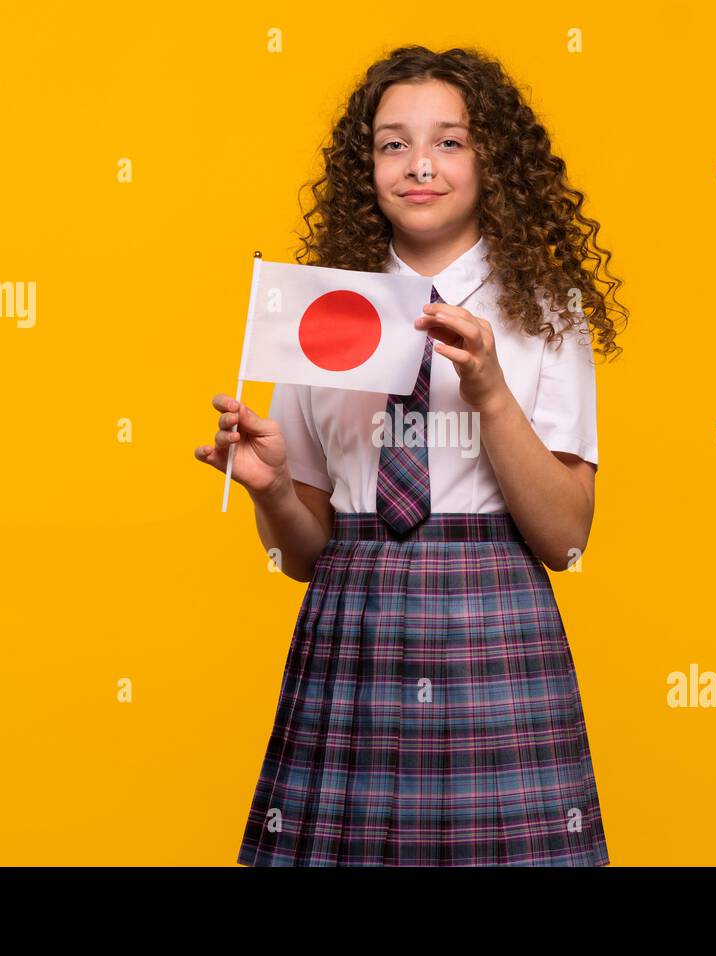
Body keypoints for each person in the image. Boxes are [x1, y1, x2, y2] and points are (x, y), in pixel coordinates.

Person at [197, 45, 627, 865]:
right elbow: (301, 556)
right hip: (352, 622)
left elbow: (568, 538)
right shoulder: (324, 310)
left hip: (493, 617)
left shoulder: (544, 310)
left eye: (450, 142)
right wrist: (272, 490)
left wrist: (491, 393)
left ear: (490, 161)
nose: (419, 165)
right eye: (393, 144)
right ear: (367, 168)